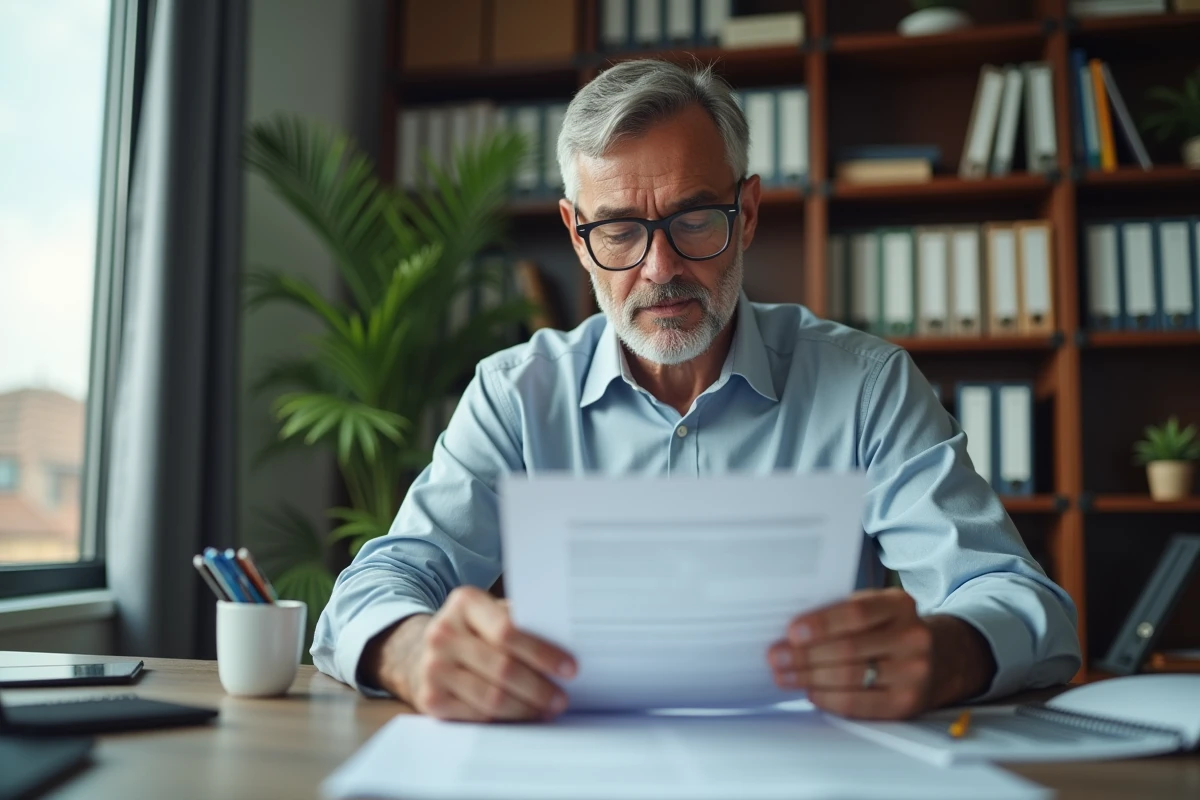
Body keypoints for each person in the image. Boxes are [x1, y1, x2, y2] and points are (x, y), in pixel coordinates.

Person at [311, 59, 1081, 723]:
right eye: (619, 230)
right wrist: (412, 651)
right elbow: (369, 593)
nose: (660, 269)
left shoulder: (866, 387)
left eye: (695, 219)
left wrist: (948, 654)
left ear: (747, 214)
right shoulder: (516, 396)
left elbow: (1025, 603)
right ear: (577, 236)